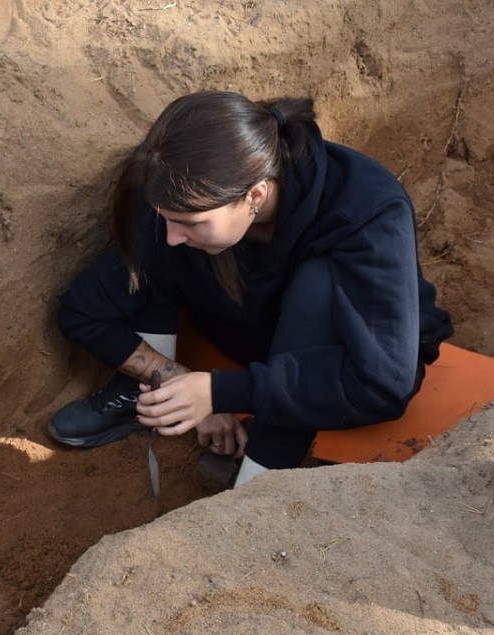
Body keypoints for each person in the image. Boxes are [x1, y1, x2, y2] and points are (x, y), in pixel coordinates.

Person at [50, 91, 454, 486]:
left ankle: (260, 480)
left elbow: (382, 385)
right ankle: (142, 396)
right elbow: (84, 308)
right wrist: (178, 385)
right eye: (171, 218)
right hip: (248, 334)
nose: (173, 234)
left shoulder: (367, 208)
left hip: (333, 355)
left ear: (255, 195)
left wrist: (221, 392)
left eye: (190, 222)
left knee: (316, 286)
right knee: (164, 246)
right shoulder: (182, 189)